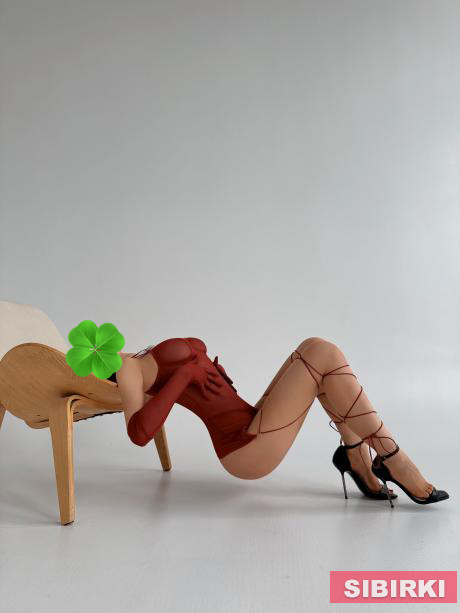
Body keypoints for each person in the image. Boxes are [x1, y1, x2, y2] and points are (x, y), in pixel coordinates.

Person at [108, 336, 449, 507]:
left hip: (251, 421)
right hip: (244, 449)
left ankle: (357, 456)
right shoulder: (127, 369)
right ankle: (393, 457)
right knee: (323, 356)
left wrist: (212, 375)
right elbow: (139, 434)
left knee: (314, 349)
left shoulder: (137, 355)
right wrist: (184, 375)